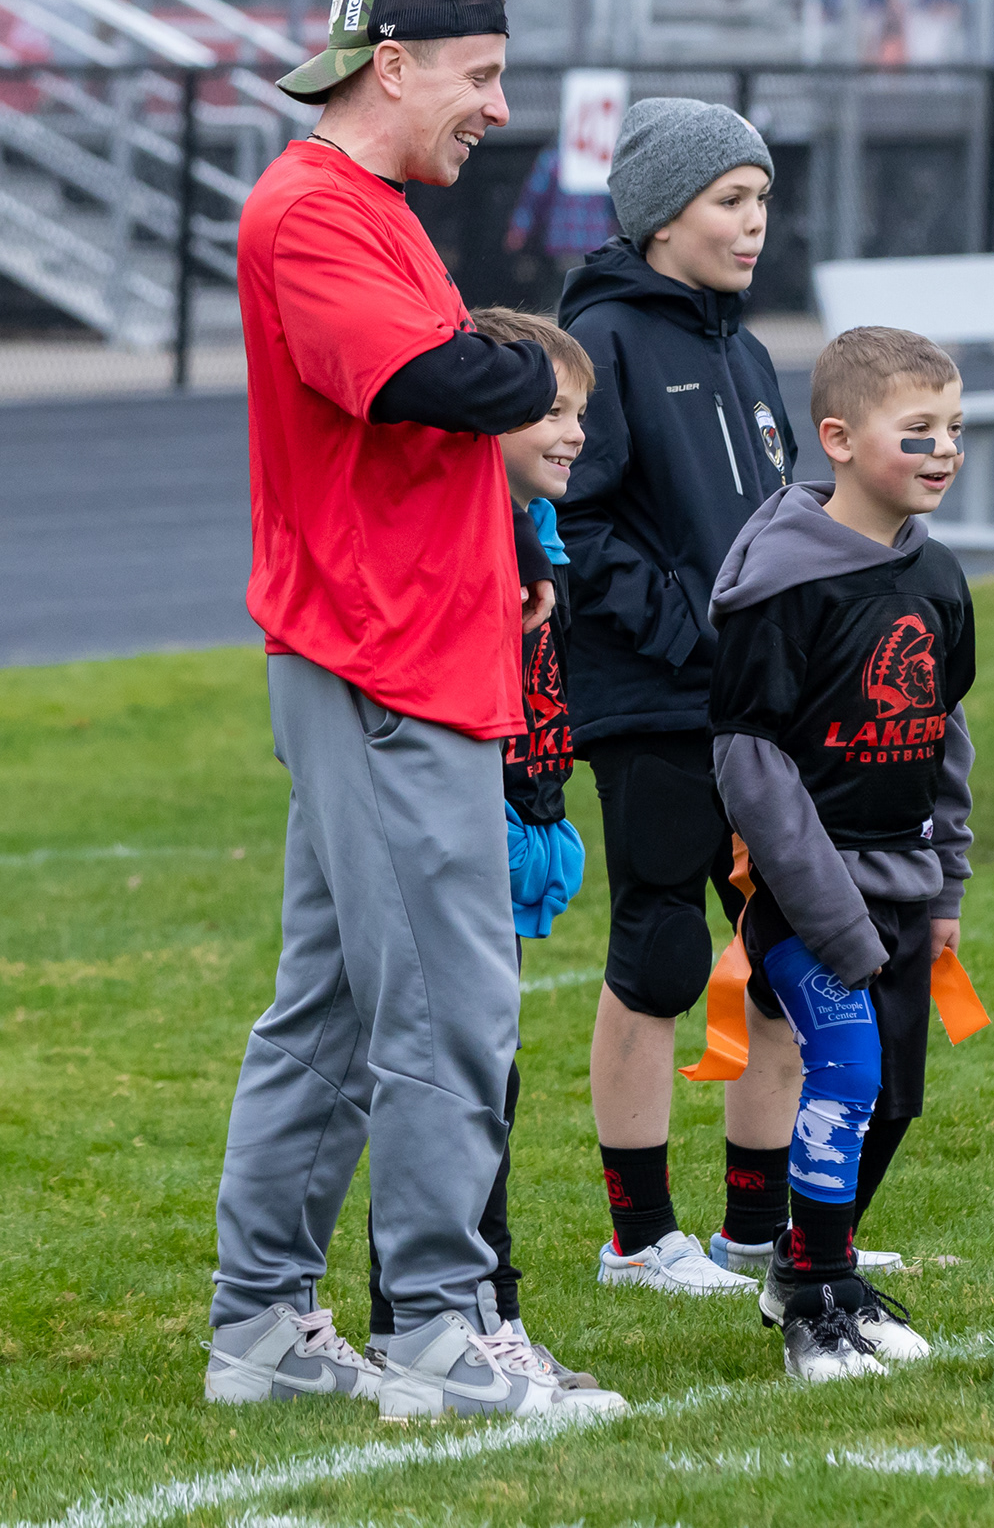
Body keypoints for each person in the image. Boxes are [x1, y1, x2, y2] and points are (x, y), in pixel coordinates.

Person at [208, 0, 623, 1419]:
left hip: (401, 647)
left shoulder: (370, 207)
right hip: (381, 656)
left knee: (327, 1012)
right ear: (392, 64)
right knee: (453, 1006)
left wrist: (501, 503)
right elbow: (436, 381)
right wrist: (526, 376)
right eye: (481, 76)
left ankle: (262, 1324)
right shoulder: (315, 205)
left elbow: (451, 392)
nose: (498, 107)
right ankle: (443, 1334)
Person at [556, 99, 804, 1296]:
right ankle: (640, 1237)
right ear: (661, 215)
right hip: (654, 703)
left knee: (789, 955)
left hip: (760, 712)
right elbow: (573, 519)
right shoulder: (600, 342)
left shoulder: (745, 353)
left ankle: (757, 1230)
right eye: (730, 200)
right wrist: (689, 635)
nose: (755, 224)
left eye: (762, 201)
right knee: (660, 951)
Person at [707, 325, 973, 1382]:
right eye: (919, 430)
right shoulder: (784, 582)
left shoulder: (937, 574)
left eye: (954, 427)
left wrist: (946, 884)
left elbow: (945, 735)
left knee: (893, 1096)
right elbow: (749, 758)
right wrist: (826, 907)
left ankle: (817, 1268)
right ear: (839, 439)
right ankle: (814, 1306)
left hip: (904, 881)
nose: (945, 449)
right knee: (848, 1069)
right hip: (808, 890)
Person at [363, 305, 599, 1391]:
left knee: (487, 1077)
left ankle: (477, 1302)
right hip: (455, 827)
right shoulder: (468, 541)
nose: (573, 431)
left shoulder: (537, 534)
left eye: (579, 412)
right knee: (454, 1073)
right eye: (550, 411)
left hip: (514, 828)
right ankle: (451, 1307)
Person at [505, 138, 616, 277]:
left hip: (586, 248)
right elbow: (533, 198)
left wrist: (519, 229)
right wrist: (519, 229)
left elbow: (532, 199)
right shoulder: (554, 159)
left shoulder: (604, 157)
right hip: (573, 248)